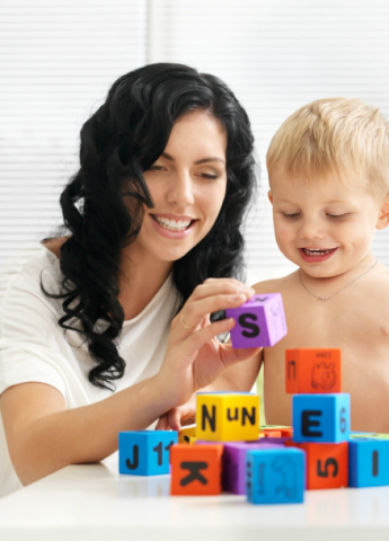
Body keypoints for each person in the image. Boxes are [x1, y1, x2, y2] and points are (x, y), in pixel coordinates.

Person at [0, 63, 261, 496]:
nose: (183, 195)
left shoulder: (208, 289)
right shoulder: (26, 284)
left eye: (207, 173)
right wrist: (160, 391)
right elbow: (32, 454)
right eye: (157, 166)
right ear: (112, 169)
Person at [231, 97, 389, 459]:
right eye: (290, 213)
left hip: (381, 476)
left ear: (385, 211)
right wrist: (192, 404)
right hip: (294, 474)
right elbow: (229, 384)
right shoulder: (262, 299)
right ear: (272, 202)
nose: (310, 231)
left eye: (337, 214)